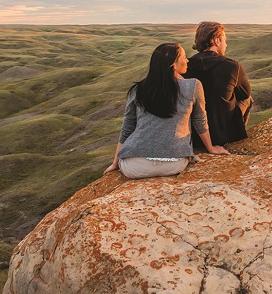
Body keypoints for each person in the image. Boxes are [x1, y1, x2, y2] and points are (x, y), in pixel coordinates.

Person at [105, 42, 229, 179]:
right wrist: (211, 148)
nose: (187, 60)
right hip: (174, 163)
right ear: (173, 64)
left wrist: (115, 163)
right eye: (184, 57)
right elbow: (200, 121)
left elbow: (128, 127)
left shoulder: (138, 90)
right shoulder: (193, 86)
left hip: (134, 166)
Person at [184, 21, 253, 152]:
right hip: (222, 135)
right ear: (216, 41)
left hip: (194, 135)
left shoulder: (186, 65)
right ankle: (236, 137)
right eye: (224, 41)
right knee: (248, 98)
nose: (226, 45)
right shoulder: (232, 66)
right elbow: (245, 94)